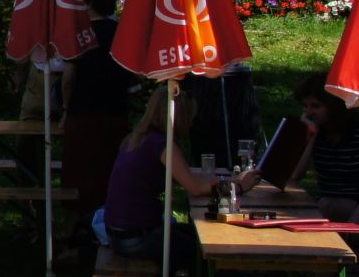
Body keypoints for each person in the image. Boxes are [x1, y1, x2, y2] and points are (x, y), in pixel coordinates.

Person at [94, 88, 256, 257]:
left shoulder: (137, 139)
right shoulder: (163, 146)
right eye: (189, 117)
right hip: (136, 236)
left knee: (195, 233)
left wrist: (230, 179)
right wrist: (238, 186)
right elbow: (195, 187)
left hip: (118, 232)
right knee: (204, 248)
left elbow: (188, 178)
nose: (191, 124)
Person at [61, 0, 137, 229]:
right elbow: (135, 77)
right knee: (109, 173)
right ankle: (107, 227)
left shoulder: (80, 34)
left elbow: (69, 78)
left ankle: (76, 233)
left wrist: (64, 108)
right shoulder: (122, 33)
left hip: (82, 113)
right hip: (115, 112)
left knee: (79, 175)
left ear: (89, 2)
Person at [294, 74, 359, 224]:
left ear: (334, 107)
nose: (308, 113)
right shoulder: (316, 131)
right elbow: (294, 175)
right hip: (326, 206)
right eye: (305, 106)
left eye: (315, 106)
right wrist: (309, 137)